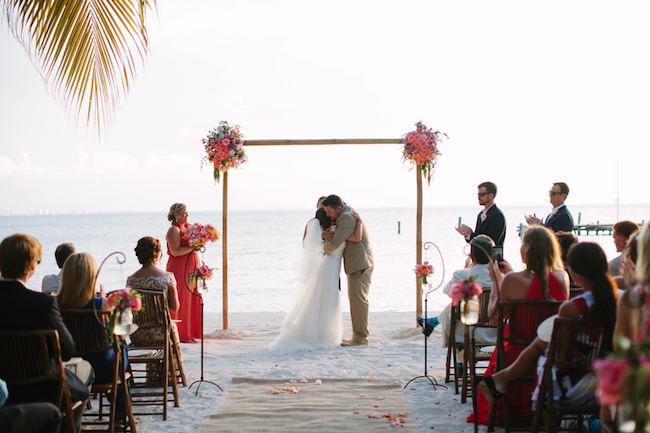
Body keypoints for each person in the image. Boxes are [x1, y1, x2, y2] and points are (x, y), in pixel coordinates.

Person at [476, 243, 617, 428]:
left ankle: (502, 380)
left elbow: (561, 359)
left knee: (542, 349)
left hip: (575, 386)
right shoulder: (618, 300)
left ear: (575, 273)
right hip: (609, 380)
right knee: (542, 345)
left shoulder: (572, 308)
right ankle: (501, 379)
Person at [467, 225, 569, 427]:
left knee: (501, 348)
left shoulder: (512, 281)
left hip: (517, 353)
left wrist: (497, 282)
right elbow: (539, 287)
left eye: (523, 243)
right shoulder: (562, 277)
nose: (520, 248)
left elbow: (495, 320)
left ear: (529, 248)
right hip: (551, 351)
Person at [0, 234, 91, 433]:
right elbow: (67, 351)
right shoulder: (43, 304)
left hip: (9, 386)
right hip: (47, 387)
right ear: (32, 267)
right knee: (84, 381)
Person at [270, 207, 363, 352]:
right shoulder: (333, 231)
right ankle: (324, 334)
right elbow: (355, 238)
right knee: (328, 300)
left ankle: (321, 332)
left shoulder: (327, 233)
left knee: (323, 300)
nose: (332, 216)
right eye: (329, 215)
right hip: (329, 269)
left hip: (329, 267)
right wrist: (359, 222)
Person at [56, 252, 131, 420]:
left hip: (70, 368)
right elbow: (122, 330)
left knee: (117, 351)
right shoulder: (101, 304)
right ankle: (121, 414)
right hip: (103, 369)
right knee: (121, 347)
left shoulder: (55, 304)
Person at [322, 195, 374, 346]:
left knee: (358, 302)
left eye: (329, 212)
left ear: (338, 208)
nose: (328, 215)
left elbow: (335, 242)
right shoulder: (346, 214)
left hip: (360, 264)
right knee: (356, 301)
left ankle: (360, 338)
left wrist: (321, 249)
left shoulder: (346, 218)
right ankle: (358, 336)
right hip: (357, 264)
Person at [127, 236, 183, 373]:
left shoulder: (131, 281)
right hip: (162, 334)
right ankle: (169, 374)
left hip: (138, 334)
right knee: (171, 326)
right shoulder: (167, 278)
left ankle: (154, 374)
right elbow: (175, 307)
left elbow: (130, 309)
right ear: (157, 255)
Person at [439, 235, 495, 348]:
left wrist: (466, 268)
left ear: (472, 258)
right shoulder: (500, 277)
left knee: (454, 307)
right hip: (493, 334)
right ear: (492, 257)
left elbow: (447, 291)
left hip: (467, 333)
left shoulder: (461, 275)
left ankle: (460, 362)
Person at [166, 203, 201, 343]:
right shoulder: (173, 230)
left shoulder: (188, 227)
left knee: (193, 295)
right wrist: (193, 247)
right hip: (180, 266)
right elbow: (175, 251)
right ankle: (181, 333)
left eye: (187, 213)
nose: (187, 216)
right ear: (176, 214)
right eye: (184, 213)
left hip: (192, 264)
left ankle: (191, 332)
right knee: (181, 296)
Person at [456, 182, 506, 258]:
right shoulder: (480, 215)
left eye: (482, 195)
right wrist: (467, 235)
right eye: (478, 195)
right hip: (479, 259)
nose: (478, 197)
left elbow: (491, 241)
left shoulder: (497, 215)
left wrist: (471, 234)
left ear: (491, 195)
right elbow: (478, 238)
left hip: (492, 260)